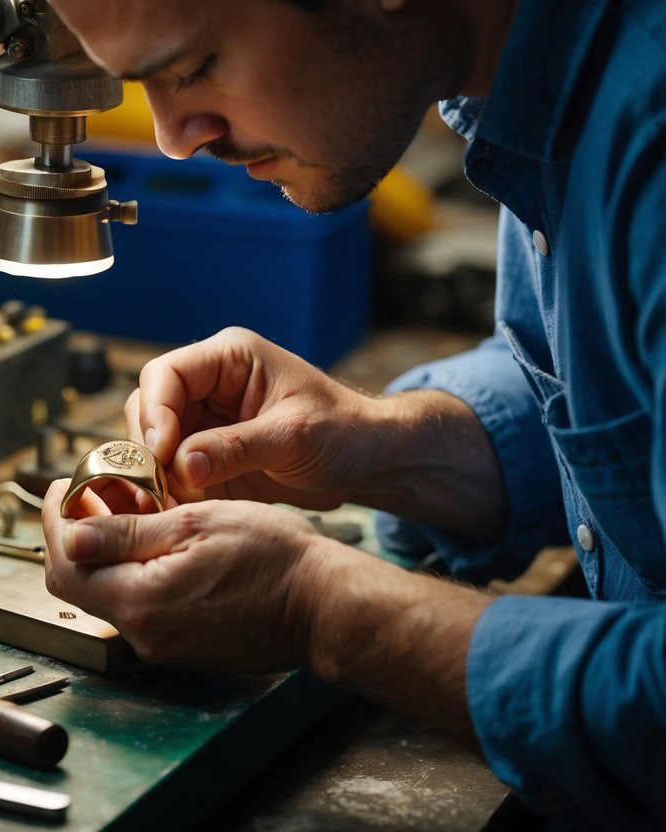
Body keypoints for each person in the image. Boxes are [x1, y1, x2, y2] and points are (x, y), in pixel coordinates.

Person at [38, 1, 666, 829]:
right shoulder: (524, 88)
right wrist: (372, 444)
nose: (171, 138)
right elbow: (613, 400)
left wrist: (319, 607)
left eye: (192, 68)